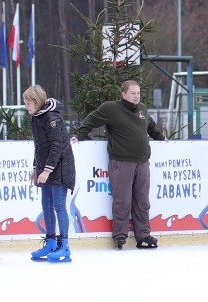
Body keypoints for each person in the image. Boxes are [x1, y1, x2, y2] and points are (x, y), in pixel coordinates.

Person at [72, 80, 166, 249]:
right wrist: (79, 135)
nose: (136, 96)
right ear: (123, 94)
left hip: (142, 162)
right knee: (122, 200)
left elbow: (151, 126)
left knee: (142, 201)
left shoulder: (142, 109)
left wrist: (161, 138)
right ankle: (120, 235)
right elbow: (92, 120)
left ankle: (143, 235)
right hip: (122, 162)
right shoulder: (112, 108)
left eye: (138, 93)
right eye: (133, 93)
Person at [25, 85, 77, 262]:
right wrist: (35, 169)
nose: (26, 106)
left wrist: (47, 170)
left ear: (37, 101)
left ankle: (64, 246)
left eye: (28, 103)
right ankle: (51, 242)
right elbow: (38, 146)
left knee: (59, 206)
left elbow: (57, 146)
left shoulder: (52, 117)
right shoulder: (36, 118)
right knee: (46, 205)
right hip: (46, 167)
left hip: (60, 167)